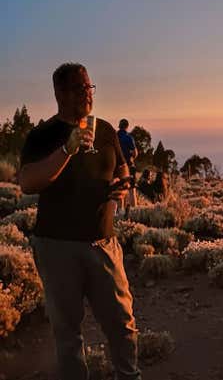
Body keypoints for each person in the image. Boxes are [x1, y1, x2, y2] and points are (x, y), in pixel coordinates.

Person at [18, 63, 141, 380]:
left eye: (89, 87)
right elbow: (29, 182)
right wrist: (67, 149)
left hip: (103, 243)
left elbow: (122, 168)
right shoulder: (43, 135)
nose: (86, 94)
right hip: (57, 247)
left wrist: (122, 185)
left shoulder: (105, 130)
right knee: (68, 333)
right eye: (78, 88)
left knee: (122, 324)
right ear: (59, 93)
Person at [117, 119, 138, 218]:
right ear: (127, 126)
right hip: (129, 165)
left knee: (120, 189)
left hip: (117, 167)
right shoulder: (129, 137)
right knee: (132, 189)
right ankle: (135, 212)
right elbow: (135, 153)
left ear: (119, 126)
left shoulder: (115, 136)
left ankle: (120, 212)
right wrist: (131, 157)